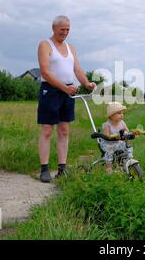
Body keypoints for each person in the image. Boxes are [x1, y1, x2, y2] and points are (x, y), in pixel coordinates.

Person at [37, 15, 96, 183]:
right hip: (51, 91)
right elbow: (45, 72)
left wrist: (86, 83)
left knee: (64, 130)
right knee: (47, 130)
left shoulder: (71, 47)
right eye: (62, 29)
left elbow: (76, 69)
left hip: (68, 91)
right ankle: (45, 169)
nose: (65, 33)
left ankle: (62, 168)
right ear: (54, 28)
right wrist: (64, 88)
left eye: (68, 30)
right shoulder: (45, 45)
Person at [101, 102, 134, 174]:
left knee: (127, 146)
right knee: (109, 151)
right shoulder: (107, 125)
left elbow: (127, 130)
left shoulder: (122, 122)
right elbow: (106, 135)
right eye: (119, 113)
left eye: (122, 113)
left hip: (117, 142)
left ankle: (128, 160)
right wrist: (114, 136)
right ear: (111, 115)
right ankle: (108, 167)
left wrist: (130, 133)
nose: (122, 115)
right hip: (108, 143)